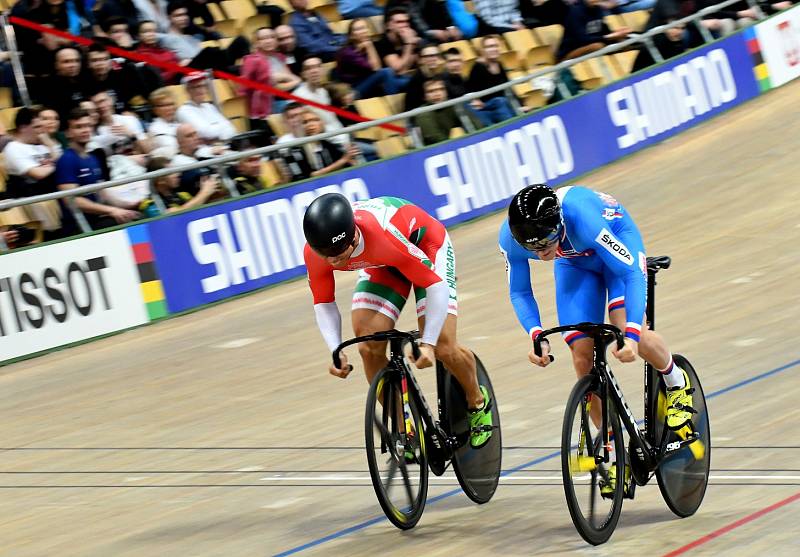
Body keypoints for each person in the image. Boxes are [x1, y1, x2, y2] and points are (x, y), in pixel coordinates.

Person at [499, 184, 695, 491]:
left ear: (559, 223)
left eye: (547, 241)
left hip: (616, 245)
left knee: (631, 330)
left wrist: (629, 335)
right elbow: (520, 291)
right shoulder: (511, 239)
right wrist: (536, 334)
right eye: (532, 247)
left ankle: (676, 383)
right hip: (575, 262)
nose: (540, 252)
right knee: (581, 353)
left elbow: (631, 274)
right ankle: (615, 453)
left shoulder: (583, 218)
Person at [302, 193, 493, 448]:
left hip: (426, 249)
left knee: (443, 345)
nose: (333, 261)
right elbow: (323, 302)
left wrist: (427, 343)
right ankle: (407, 430)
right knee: (368, 347)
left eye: (338, 254)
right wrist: (335, 350)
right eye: (326, 255)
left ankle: (477, 402)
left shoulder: (381, 236)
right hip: (384, 262)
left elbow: (434, 286)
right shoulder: (318, 251)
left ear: (354, 236)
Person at [55, 107, 140, 233]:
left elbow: (102, 193)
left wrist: (129, 204)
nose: (85, 130)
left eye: (88, 125)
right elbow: (71, 201)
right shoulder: (66, 160)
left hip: (97, 218)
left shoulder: (93, 158)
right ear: (68, 133)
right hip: (80, 227)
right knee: (134, 222)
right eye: (79, 127)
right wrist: (112, 210)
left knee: (139, 214)